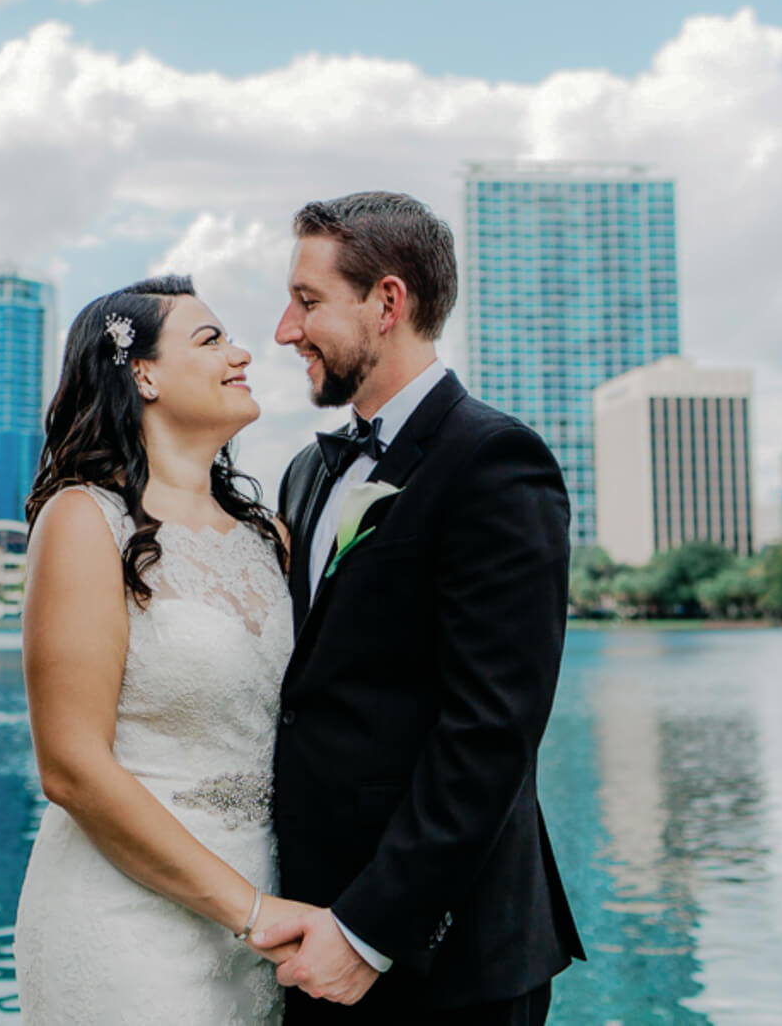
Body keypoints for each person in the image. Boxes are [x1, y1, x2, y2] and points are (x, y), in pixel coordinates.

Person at [251, 192, 585, 1024]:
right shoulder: (306, 472)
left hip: (447, 956)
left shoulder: (496, 462)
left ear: (388, 302)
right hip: (310, 938)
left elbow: (492, 727)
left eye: (308, 301)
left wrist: (370, 929)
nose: (287, 330)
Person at [14, 274, 304, 1025]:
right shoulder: (85, 521)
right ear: (142, 374)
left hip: (268, 912)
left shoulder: (269, 537)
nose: (243, 352)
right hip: (126, 918)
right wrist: (249, 910)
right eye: (211, 339)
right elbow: (71, 767)